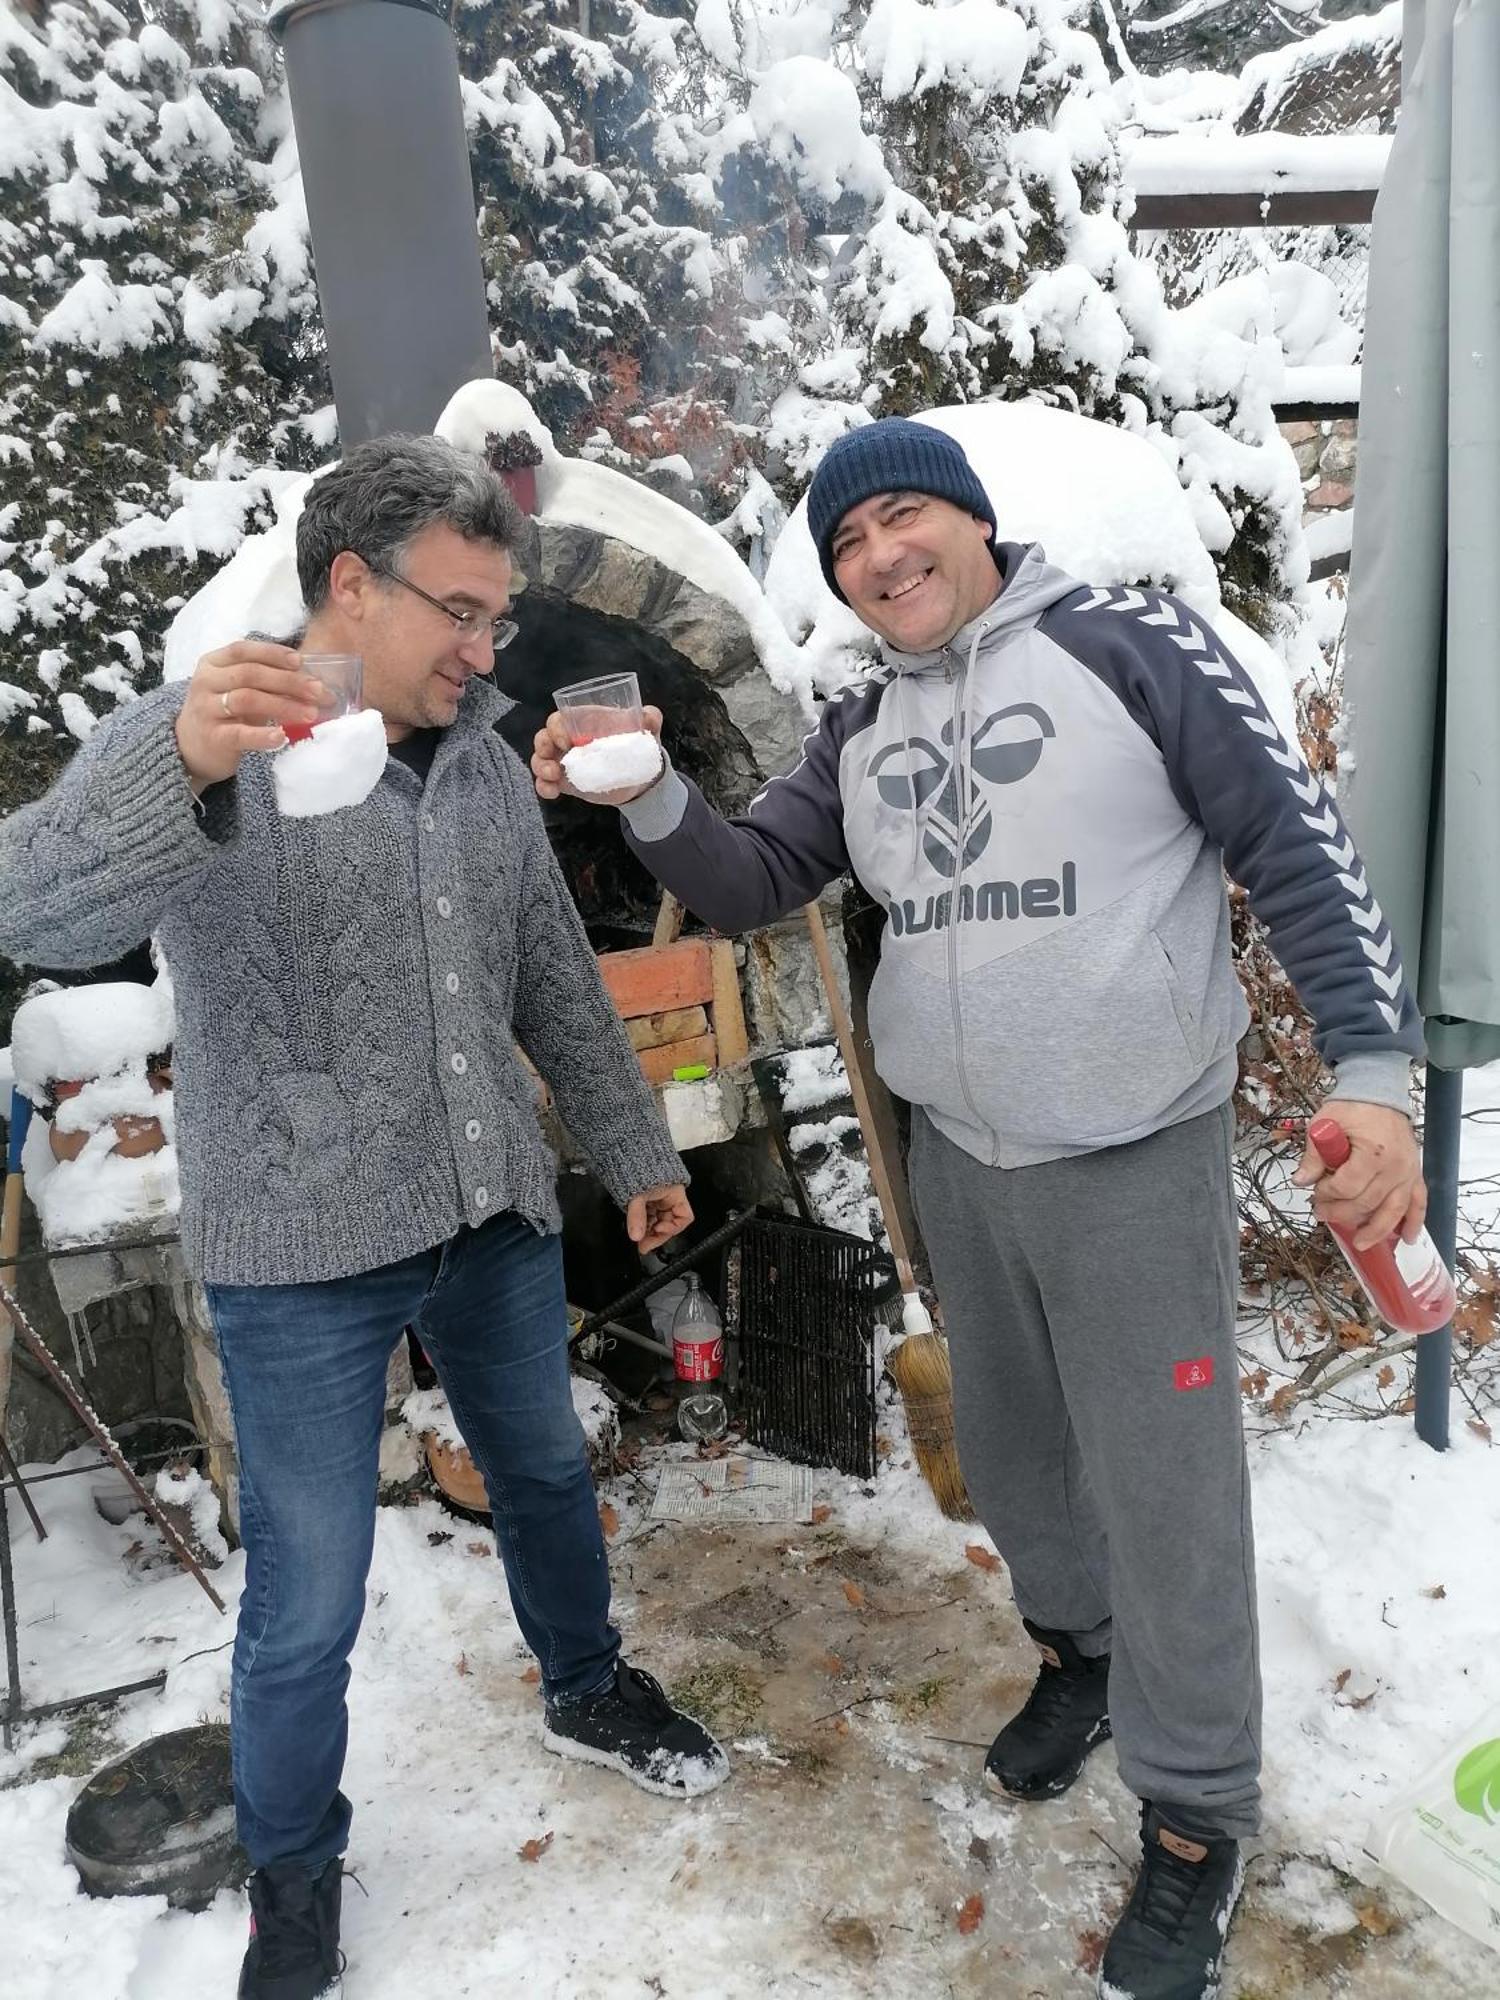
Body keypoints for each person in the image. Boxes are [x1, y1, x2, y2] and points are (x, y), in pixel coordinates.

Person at [531, 418, 1428, 2000]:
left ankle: (1202, 1817)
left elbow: (1296, 842)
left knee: (1170, 1501)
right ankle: (1081, 1660)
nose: (880, 556)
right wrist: (654, 791)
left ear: (969, 520)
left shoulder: (1128, 649)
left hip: (1133, 1156)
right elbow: (751, 885)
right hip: (958, 1158)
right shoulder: (859, 722)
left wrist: (1370, 1064)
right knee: (1014, 1467)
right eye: (848, 544)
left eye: (902, 518)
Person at [1, 435, 728, 2000]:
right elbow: (31, 908)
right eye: (462, 611)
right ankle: (296, 1867)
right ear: (350, 584)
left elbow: (547, 966)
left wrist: (625, 1141)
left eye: (498, 618)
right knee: (309, 1593)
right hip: (301, 1256)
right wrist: (175, 763)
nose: (487, 647)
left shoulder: (476, 759)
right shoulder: (217, 737)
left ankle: (586, 1685)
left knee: (542, 1473)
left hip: (489, 1216)